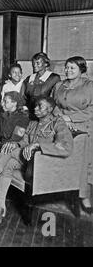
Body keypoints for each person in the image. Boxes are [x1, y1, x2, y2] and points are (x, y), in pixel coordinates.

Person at [0, 96, 73, 225]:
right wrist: (15, 144)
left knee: (7, 152)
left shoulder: (58, 123)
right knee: (8, 158)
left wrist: (37, 145)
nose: (35, 109)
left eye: (40, 106)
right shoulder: (33, 123)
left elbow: (66, 147)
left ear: (50, 109)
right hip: (27, 160)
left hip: (44, 163)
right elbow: (24, 140)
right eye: (35, 105)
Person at [52, 56, 93, 214]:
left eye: (72, 68)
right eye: (67, 67)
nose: (68, 70)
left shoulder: (89, 86)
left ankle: (84, 196)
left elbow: (91, 110)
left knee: (84, 162)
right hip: (62, 125)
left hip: (85, 126)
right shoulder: (59, 85)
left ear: (81, 70)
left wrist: (72, 118)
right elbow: (53, 105)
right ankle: (60, 189)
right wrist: (62, 118)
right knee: (62, 156)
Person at [23, 52, 60, 118]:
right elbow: (24, 97)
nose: (34, 65)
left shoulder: (53, 78)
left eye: (38, 63)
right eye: (33, 63)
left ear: (45, 64)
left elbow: (56, 99)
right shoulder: (29, 78)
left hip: (45, 114)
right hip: (30, 114)